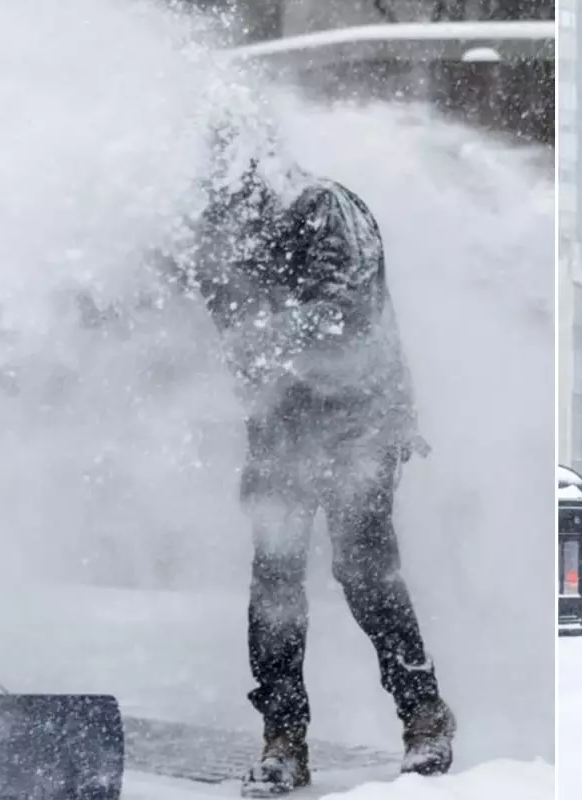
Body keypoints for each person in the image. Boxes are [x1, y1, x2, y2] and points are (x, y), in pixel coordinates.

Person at [177, 125, 455, 795]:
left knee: (362, 568)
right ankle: (284, 738)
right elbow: (215, 312)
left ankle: (424, 715)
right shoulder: (224, 231)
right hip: (281, 423)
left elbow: (335, 308)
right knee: (274, 577)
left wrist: (262, 347)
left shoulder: (325, 206)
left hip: (361, 415)